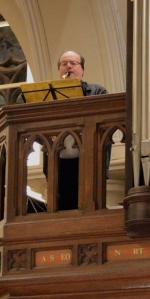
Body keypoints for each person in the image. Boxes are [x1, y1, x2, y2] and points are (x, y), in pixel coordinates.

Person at [55, 51, 108, 210]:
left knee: (88, 204)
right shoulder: (50, 94)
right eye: (64, 64)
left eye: (73, 63)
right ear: (59, 70)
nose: (68, 67)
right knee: (63, 207)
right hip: (58, 160)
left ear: (82, 70)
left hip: (88, 159)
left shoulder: (97, 91)